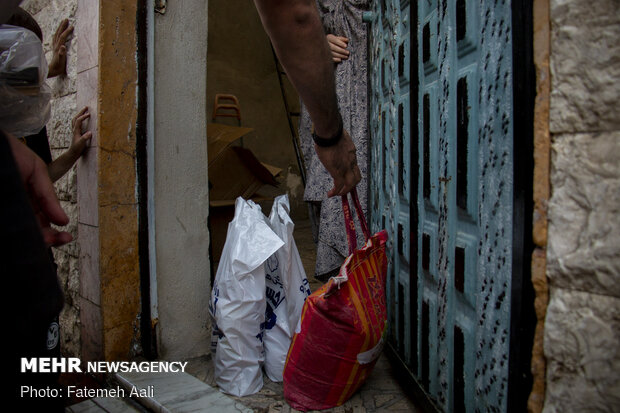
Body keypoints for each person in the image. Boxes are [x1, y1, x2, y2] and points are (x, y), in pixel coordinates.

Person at [253, 0, 362, 199]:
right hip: (331, 94)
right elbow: (295, 15)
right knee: (336, 193)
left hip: (378, 90)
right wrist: (317, 42)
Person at [298, 1, 370, 280]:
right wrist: (318, 44)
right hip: (330, 85)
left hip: (377, 80)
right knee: (333, 189)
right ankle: (346, 296)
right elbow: (295, 21)